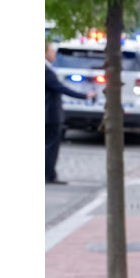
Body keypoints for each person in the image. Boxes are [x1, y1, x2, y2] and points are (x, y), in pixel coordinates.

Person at [45, 41, 95, 184]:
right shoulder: (46, 71)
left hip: (49, 113)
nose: (54, 54)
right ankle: (49, 175)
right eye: (51, 51)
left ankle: (49, 173)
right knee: (51, 147)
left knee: (49, 146)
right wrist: (84, 96)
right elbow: (61, 88)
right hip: (50, 114)